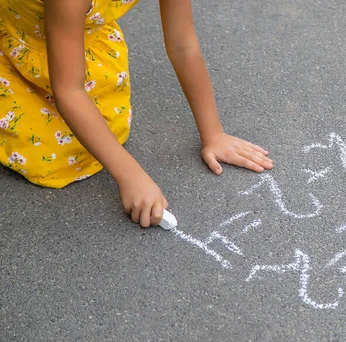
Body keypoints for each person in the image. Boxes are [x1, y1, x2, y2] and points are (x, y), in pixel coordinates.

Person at [0, 0, 273, 227]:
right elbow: (69, 91)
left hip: (75, 41)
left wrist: (213, 133)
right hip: (26, 44)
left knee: (103, 130)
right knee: (52, 159)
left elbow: (182, 44)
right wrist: (130, 176)